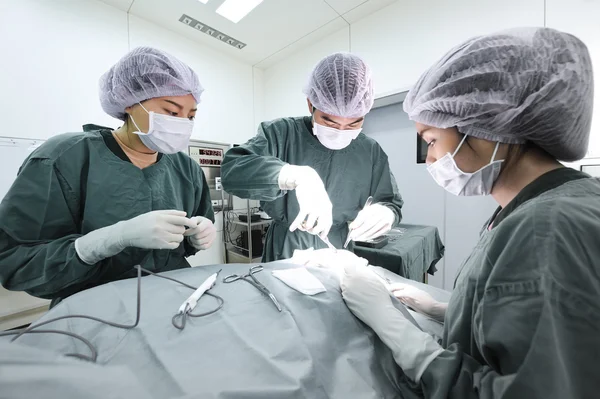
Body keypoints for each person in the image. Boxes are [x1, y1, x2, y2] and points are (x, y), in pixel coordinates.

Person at [341, 27, 600, 398]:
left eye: (431, 140)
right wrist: (446, 310)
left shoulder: (547, 229)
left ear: (487, 124)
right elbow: (528, 322)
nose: (429, 157)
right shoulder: (533, 208)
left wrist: (392, 326)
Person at [0, 47, 217, 307]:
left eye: (190, 116)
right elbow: (15, 259)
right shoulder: (65, 156)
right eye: (171, 112)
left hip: (172, 301)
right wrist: (105, 241)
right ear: (130, 101)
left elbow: (186, 241)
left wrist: (195, 237)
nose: (182, 122)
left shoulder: (186, 168)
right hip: (92, 310)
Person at [221, 53, 404, 261]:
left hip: (338, 248)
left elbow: (391, 202)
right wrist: (291, 175)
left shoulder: (370, 151)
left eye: (353, 123)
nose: (340, 131)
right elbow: (232, 170)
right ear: (311, 105)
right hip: (286, 247)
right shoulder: (282, 133)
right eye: (330, 121)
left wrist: (385, 214)